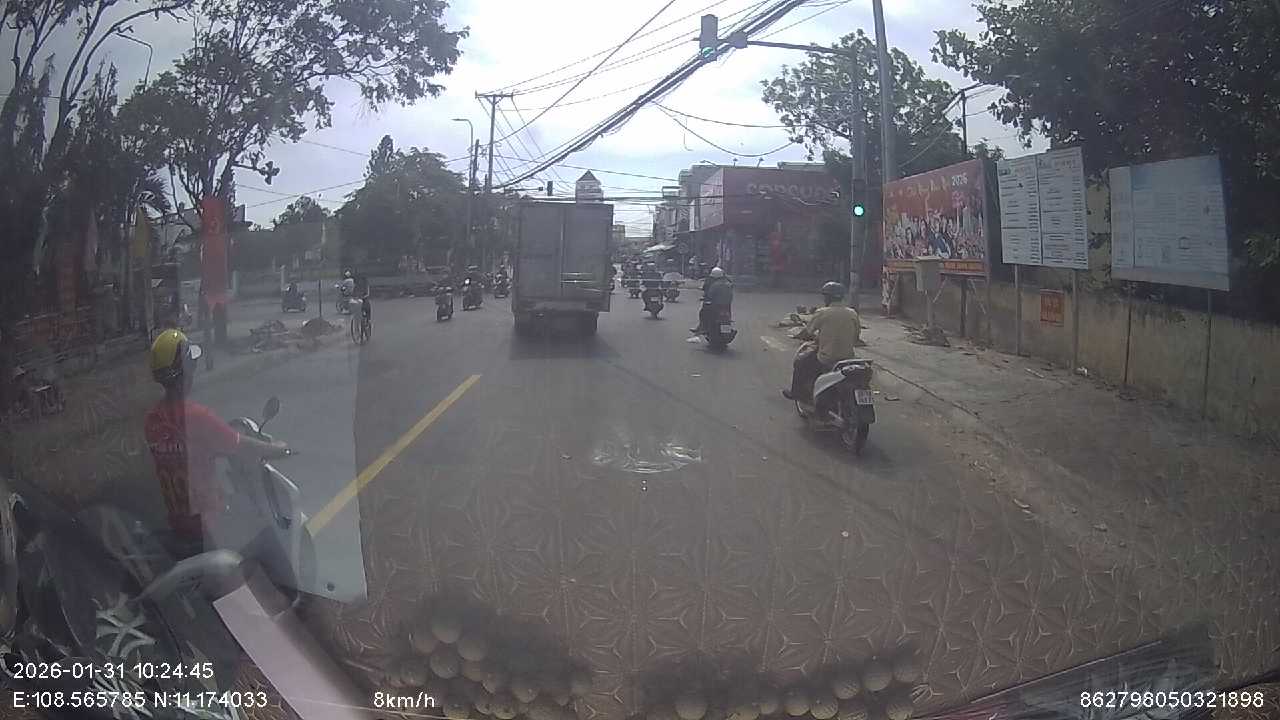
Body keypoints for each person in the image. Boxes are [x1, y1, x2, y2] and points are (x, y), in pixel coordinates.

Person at [144, 329, 290, 558]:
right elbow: (243, 446)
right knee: (267, 535)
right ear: (188, 368)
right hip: (209, 525)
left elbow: (188, 451)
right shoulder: (197, 417)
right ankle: (289, 585)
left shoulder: (152, 421)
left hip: (178, 525)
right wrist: (280, 449)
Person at [782, 282, 862, 403]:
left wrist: (798, 336)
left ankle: (796, 393)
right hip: (848, 358)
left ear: (827, 297)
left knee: (800, 363)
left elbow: (807, 332)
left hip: (827, 358)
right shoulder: (852, 313)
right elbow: (856, 337)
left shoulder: (822, 312)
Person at [692, 267, 733, 334]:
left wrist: (705, 298)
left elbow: (710, 295)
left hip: (716, 305)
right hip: (727, 304)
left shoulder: (715, 285)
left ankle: (703, 327)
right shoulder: (728, 283)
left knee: (703, 313)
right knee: (728, 314)